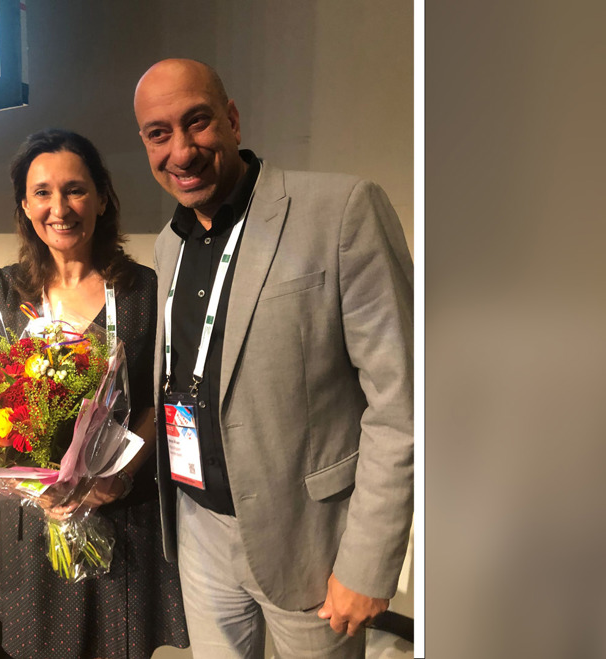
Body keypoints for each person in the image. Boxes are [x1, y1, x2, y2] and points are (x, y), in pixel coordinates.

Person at [134, 59, 414, 658]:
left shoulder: (341, 209)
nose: (181, 151)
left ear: (232, 120)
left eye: (198, 122)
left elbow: (406, 399)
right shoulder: (167, 245)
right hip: (198, 524)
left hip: (308, 539)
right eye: (159, 134)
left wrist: (368, 561)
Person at [0, 129, 189, 659]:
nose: (60, 207)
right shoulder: (6, 289)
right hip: (39, 513)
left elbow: (164, 396)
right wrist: (38, 488)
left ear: (100, 196)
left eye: (75, 189)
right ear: (25, 205)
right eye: (43, 192)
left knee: (119, 646)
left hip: (122, 509)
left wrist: (120, 470)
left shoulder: (145, 290)